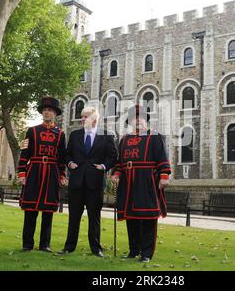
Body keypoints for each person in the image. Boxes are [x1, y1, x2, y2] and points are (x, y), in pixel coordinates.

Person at [111, 105, 171, 263]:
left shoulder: (154, 137)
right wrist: (117, 173)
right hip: (128, 182)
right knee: (131, 218)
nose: (137, 120)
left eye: (140, 117)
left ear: (146, 120)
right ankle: (133, 250)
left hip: (147, 181)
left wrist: (164, 176)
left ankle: (146, 253)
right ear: (130, 121)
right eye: (134, 118)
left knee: (148, 218)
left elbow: (163, 159)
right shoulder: (124, 139)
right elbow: (119, 162)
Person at [59, 107, 118, 257]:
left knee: (94, 218)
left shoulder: (106, 136)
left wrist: (104, 166)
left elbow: (113, 157)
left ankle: (96, 248)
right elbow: (66, 155)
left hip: (95, 182)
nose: (83, 119)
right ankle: (69, 247)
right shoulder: (75, 135)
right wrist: (70, 163)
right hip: (76, 182)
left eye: (86, 117)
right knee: (74, 217)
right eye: (82, 117)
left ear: (94, 119)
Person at [17, 97, 67, 252]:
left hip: (52, 172)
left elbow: (62, 157)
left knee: (48, 211)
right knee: (30, 210)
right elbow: (24, 154)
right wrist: (21, 173)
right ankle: (27, 244)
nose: (47, 112)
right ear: (42, 112)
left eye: (50, 110)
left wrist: (62, 175)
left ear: (55, 114)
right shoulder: (31, 131)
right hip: (34, 171)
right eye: (45, 110)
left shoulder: (61, 134)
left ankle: (45, 244)